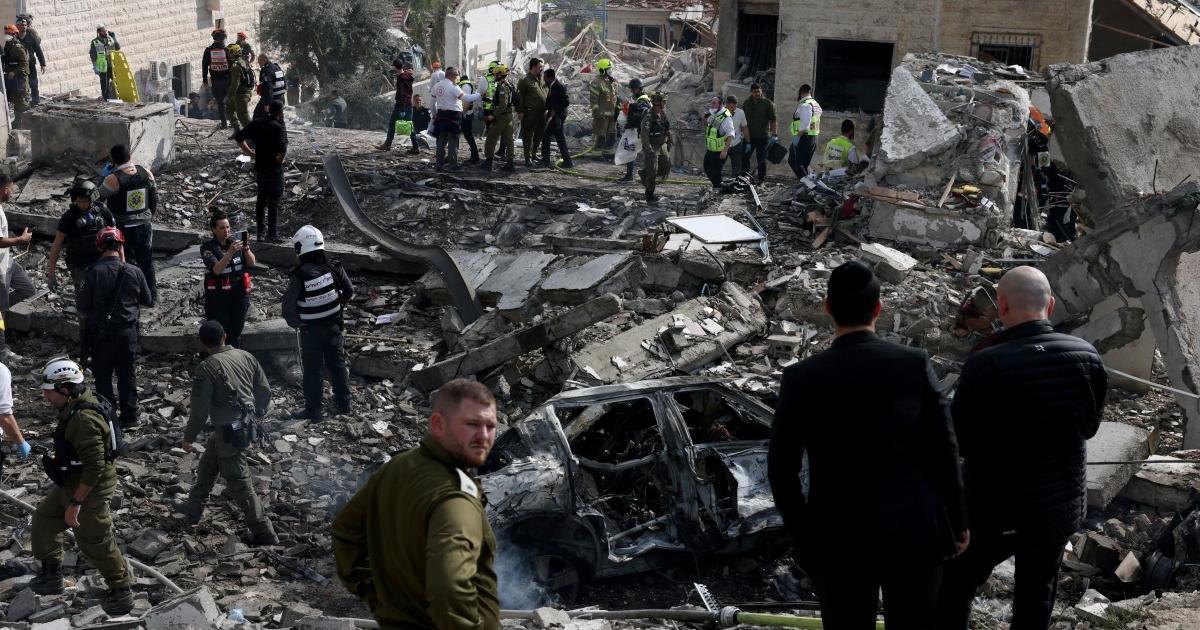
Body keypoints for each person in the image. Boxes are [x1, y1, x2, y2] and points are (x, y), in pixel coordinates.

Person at [769, 261, 967, 630]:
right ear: (878, 308)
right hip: (914, 532)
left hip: (837, 537)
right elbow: (945, 448)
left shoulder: (801, 378)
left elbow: (782, 470)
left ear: (827, 308)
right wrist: (957, 522)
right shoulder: (913, 363)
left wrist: (805, 537)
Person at [935, 266, 1107, 630]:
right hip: (1058, 509)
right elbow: (1089, 428)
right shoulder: (1088, 356)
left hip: (994, 511)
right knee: (1037, 595)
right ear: (1051, 305)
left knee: (955, 587)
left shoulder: (986, 362)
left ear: (1001, 306)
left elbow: (960, 440)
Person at [332, 379, 499, 630]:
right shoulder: (455, 500)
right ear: (438, 425)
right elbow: (448, 589)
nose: (483, 436)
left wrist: (379, 597)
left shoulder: (398, 466)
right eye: (472, 424)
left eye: (490, 426)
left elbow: (345, 531)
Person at [29, 357, 134, 615]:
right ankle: (51, 575)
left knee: (93, 538)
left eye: (48, 391)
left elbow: (95, 467)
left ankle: (121, 590)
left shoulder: (84, 419)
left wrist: (76, 502)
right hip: (74, 480)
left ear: (65, 389)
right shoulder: (75, 405)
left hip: (90, 486)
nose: (45, 396)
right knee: (44, 519)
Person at [176, 320, 279, 546]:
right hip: (243, 427)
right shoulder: (246, 356)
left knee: (241, 485)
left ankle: (264, 532)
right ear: (225, 336)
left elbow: (200, 410)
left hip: (229, 433)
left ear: (202, 343)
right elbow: (264, 390)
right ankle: (193, 510)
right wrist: (258, 413)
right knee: (207, 466)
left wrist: (188, 438)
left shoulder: (206, 368)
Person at [77, 227, 152, 428]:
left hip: (101, 334)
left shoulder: (91, 272)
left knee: (103, 375)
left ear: (99, 247)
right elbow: (147, 299)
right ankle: (130, 416)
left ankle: (108, 418)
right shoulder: (135, 271)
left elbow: (82, 306)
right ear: (120, 247)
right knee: (127, 372)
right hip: (128, 332)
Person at [282, 225, 353, 422]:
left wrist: (298, 324)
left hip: (311, 331)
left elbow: (287, 307)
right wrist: (337, 307)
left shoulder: (299, 275)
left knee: (313, 370)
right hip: (333, 326)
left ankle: (314, 411)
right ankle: (344, 404)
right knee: (337, 364)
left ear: (300, 248)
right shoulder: (334, 267)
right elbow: (349, 291)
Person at [100, 143, 158, 304]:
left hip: (123, 227)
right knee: (146, 261)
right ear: (130, 156)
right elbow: (154, 198)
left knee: (127, 263)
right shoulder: (146, 172)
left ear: (113, 160)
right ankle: (151, 297)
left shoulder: (113, 179)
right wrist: (148, 217)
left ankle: (133, 297)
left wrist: (102, 178)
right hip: (144, 226)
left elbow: (97, 197)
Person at [47, 180, 116, 295]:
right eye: (78, 201)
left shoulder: (103, 212)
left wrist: (121, 262)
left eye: (84, 201)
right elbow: (57, 244)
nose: (81, 205)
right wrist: (51, 274)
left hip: (102, 260)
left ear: (92, 199)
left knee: (104, 294)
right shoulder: (69, 217)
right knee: (83, 295)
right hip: (79, 262)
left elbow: (116, 238)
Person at [235, 100, 288, 242]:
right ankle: (272, 234)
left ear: (268, 110)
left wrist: (251, 153)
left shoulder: (257, 123)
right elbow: (282, 150)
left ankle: (260, 233)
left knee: (261, 201)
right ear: (280, 112)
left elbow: (239, 138)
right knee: (273, 202)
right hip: (274, 170)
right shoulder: (279, 127)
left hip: (260, 168)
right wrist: (279, 160)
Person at [201, 211, 255, 347]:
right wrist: (229, 253)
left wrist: (246, 249)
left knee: (237, 329)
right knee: (221, 330)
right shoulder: (208, 248)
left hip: (239, 293)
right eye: (222, 228)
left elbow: (251, 263)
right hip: (219, 296)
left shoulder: (235, 243)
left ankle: (235, 353)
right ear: (214, 229)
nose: (226, 231)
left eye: (228, 227)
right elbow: (217, 270)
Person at [0, 173, 34, 362]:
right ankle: (2, 351)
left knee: (28, 289)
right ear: (4, 189)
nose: (12, 192)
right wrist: (20, 240)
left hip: (8, 262)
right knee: (0, 310)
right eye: (11, 189)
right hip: (0, 269)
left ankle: (2, 310)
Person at [431, 66, 480, 172]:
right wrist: (479, 94)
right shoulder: (453, 87)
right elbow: (466, 98)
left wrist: (434, 114)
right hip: (453, 117)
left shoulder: (437, 86)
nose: (458, 77)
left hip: (441, 116)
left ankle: (439, 165)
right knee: (453, 142)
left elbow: (433, 102)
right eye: (457, 75)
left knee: (441, 142)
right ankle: (453, 165)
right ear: (452, 75)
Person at [481, 63, 517, 173]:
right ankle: (510, 163)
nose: (494, 76)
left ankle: (488, 162)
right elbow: (505, 101)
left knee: (491, 138)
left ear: (500, 75)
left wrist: (493, 115)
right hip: (508, 115)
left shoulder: (502, 87)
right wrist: (490, 100)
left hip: (502, 116)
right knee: (508, 139)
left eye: (496, 74)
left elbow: (503, 104)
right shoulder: (509, 85)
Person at [639, 92, 671, 205]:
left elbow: (666, 127)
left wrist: (668, 140)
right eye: (662, 103)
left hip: (662, 145)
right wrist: (648, 149)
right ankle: (650, 195)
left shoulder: (663, 114)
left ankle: (644, 173)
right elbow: (644, 134)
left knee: (665, 167)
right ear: (657, 103)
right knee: (652, 171)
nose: (663, 105)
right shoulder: (648, 116)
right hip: (652, 146)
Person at [741, 83, 777, 183]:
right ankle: (744, 178)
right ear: (751, 92)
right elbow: (743, 120)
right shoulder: (746, 103)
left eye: (758, 91)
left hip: (763, 137)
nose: (757, 93)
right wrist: (742, 133)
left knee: (761, 160)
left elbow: (773, 120)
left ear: (761, 91)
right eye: (754, 92)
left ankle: (761, 180)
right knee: (744, 158)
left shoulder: (767, 103)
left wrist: (774, 135)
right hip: (749, 137)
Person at [377, 61, 416, 153]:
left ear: (395, 67)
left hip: (401, 106)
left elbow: (401, 94)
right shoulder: (407, 77)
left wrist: (402, 109)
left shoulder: (401, 78)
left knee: (392, 124)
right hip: (408, 104)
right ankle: (416, 147)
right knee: (410, 126)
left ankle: (387, 144)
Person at [617, 78, 651, 182]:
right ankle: (641, 175)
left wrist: (630, 108)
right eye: (632, 89)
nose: (632, 91)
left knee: (630, 152)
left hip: (636, 130)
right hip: (637, 130)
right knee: (633, 152)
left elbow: (642, 113)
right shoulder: (641, 98)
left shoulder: (643, 100)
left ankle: (630, 176)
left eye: (634, 89)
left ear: (640, 88)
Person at [516, 57, 546, 167]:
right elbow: (520, 97)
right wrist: (520, 111)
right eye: (540, 67)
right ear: (533, 67)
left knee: (538, 135)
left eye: (542, 67)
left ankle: (534, 154)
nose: (542, 69)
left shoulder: (542, 79)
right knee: (528, 136)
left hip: (542, 113)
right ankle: (527, 158)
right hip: (530, 113)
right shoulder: (525, 80)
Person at [540, 67, 572, 169]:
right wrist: (549, 112)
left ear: (550, 77)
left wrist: (555, 110)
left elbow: (566, 101)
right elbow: (552, 102)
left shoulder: (559, 86)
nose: (544, 80)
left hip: (558, 116)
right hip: (555, 116)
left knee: (547, 136)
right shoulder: (552, 86)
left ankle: (546, 160)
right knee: (559, 138)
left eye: (545, 78)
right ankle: (567, 161)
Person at [201, 29, 231, 129]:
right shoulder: (226, 50)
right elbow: (231, 65)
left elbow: (204, 66)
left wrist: (205, 80)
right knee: (229, 102)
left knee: (220, 103)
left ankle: (224, 123)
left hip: (216, 81)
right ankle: (233, 122)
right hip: (227, 80)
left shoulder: (208, 50)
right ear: (222, 39)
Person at [790, 85, 821, 179]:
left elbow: (805, 125)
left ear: (801, 93)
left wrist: (797, 138)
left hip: (803, 138)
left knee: (796, 163)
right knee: (802, 165)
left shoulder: (806, 105)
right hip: (812, 138)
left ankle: (807, 183)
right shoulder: (815, 104)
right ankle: (806, 182)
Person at [702, 99, 735, 188]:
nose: (712, 105)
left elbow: (731, 135)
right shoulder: (713, 115)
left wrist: (725, 151)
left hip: (720, 150)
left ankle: (719, 187)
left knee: (716, 171)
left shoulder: (726, 118)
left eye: (714, 103)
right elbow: (709, 129)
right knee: (707, 167)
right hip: (711, 149)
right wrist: (705, 121)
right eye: (711, 103)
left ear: (720, 105)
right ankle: (718, 185)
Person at [590, 58, 617, 156]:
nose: (611, 71)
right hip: (602, 115)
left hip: (612, 114)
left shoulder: (612, 81)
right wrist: (597, 112)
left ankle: (608, 152)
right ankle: (596, 154)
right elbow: (593, 100)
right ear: (602, 70)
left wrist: (618, 108)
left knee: (612, 134)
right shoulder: (596, 82)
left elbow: (615, 97)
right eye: (609, 69)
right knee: (601, 135)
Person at [225, 44, 253, 135]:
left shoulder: (235, 66)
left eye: (228, 52)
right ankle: (237, 129)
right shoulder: (243, 61)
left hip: (241, 94)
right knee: (229, 110)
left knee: (243, 117)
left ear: (232, 53)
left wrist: (228, 96)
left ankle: (253, 137)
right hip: (242, 92)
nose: (227, 55)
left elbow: (235, 84)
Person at [4, 25, 29, 126]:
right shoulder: (8, 45)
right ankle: (18, 122)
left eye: (9, 33)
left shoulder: (17, 47)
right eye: (6, 33)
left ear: (14, 34)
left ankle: (28, 123)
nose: (6, 35)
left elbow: (24, 63)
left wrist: (14, 72)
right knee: (15, 100)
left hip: (20, 78)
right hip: (12, 79)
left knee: (22, 101)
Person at [15, 17, 43, 107]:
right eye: (22, 25)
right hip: (19, 66)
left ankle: (35, 101)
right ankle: (23, 103)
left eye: (25, 25)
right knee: (22, 85)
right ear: (17, 26)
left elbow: (38, 51)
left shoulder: (31, 37)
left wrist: (43, 64)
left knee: (33, 83)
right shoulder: (15, 38)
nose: (24, 26)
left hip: (30, 64)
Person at [721, 95, 749, 181]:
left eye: (735, 107)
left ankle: (734, 184)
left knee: (737, 168)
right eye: (731, 107)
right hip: (723, 145)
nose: (733, 109)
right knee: (719, 165)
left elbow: (744, 127)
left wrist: (748, 141)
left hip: (736, 144)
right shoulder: (720, 113)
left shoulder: (740, 113)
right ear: (726, 104)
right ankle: (717, 183)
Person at [457, 72, 481, 165]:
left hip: (465, 115)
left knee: (468, 136)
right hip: (466, 114)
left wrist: (462, 114)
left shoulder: (465, 86)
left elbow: (466, 102)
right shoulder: (467, 85)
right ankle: (453, 155)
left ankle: (475, 157)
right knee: (457, 135)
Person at [89, 25, 119, 100]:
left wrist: (114, 38)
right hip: (102, 67)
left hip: (112, 65)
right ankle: (106, 100)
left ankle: (120, 98)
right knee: (105, 86)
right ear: (99, 32)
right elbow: (93, 55)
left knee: (118, 82)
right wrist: (95, 66)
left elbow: (118, 48)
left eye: (106, 31)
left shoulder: (110, 39)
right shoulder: (95, 42)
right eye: (103, 31)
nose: (105, 32)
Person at [254, 53, 286, 120]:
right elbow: (284, 83)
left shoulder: (267, 70)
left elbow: (269, 88)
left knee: (257, 115)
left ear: (265, 59)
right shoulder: (277, 67)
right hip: (281, 98)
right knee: (278, 118)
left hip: (271, 98)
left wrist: (267, 104)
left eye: (260, 61)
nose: (259, 63)